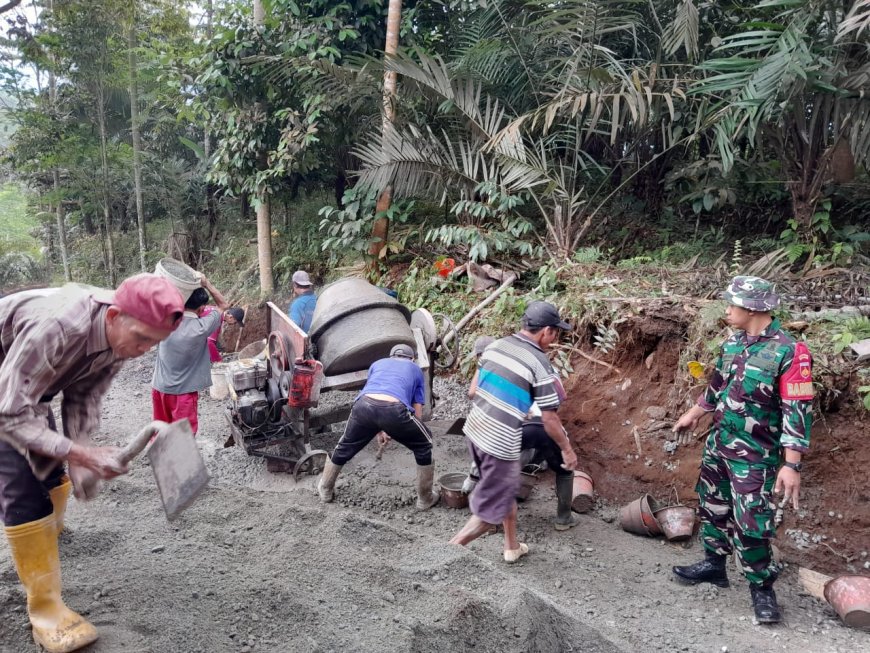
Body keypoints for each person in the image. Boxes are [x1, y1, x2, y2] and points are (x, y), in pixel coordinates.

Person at [0, 274, 184, 653]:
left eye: (156, 343)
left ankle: (50, 533)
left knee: (52, 463)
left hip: (28, 386)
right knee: (22, 487)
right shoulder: (58, 326)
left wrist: (79, 452)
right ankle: (47, 612)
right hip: (6, 387)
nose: (145, 350)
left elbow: (83, 396)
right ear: (114, 315)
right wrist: (82, 454)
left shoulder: (119, 339)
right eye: (143, 339)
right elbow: (9, 414)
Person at [671, 276, 812, 624]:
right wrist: (695, 412)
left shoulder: (790, 352)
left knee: (752, 523)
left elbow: (798, 410)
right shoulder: (733, 344)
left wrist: (791, 464)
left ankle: (761, 588)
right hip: (720, 445)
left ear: (754, 308)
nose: (728, 310)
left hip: (756, 457)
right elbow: (717, 384)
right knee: (712, 505)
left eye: (732, 304)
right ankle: (714, 565)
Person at [450, 301, 578, 563]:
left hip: (475, 431)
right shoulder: (540, 364)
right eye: (556, 333)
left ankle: (512, 546)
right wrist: (567, 449)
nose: (555, 339)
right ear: (546, 331)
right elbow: (550, 419)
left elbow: (475, 390)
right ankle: (449, 548)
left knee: (504, 491)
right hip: (500, 441)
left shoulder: (495, 346)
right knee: (491, 512)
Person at [463, 335, 580, 531]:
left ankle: (489, 518)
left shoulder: (492, 366)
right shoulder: (544, 367)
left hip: (512, 424)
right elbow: (557, 402)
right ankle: (564, 518)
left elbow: (473, 393)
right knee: (564, 468)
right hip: (541, 424)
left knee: (498, 461)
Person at [317, 344, 440, 510]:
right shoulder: (415, 369)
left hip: (363, 406)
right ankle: (425, 499)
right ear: (411, 359)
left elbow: (376, 395)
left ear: (391, 356)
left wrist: (381, 428)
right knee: (424, 444)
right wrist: (410, 432)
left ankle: (325, 489)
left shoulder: (377, 364)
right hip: (393, 410)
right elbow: (417, 410)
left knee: (345, 446)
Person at [151, 276, 230, 435]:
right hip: (183, 395)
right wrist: (207, 283)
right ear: (201, 309)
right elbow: (224, 305)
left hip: (159, 388)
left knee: (160, 431)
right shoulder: (202, 327)